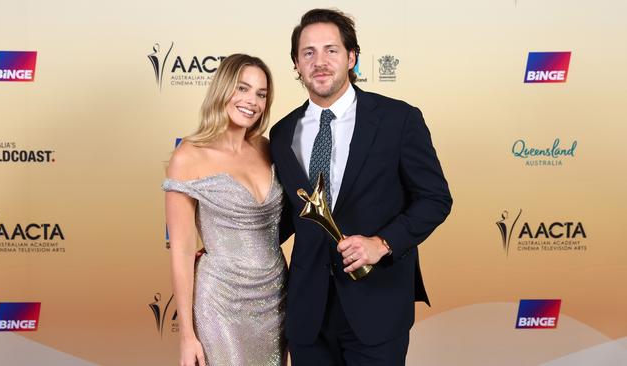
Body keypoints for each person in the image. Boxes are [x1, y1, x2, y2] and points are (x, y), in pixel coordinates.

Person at [269, 9, 452, 365]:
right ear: (296, 64)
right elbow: (291, 214)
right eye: (308, 53)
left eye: (331, 50)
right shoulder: (281, 133)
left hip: (377, 306)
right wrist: (227, 249)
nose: (319, 62)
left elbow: (435, 198)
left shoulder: (399, 119)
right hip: (308, 314)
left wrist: (382, 243)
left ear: (352, 57)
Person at [163, 53, 286, 366]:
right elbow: (181, 250)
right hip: (221, 302)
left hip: (277, 296)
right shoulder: (189, 156)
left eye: (261, 94)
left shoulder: (268, 147)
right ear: (223, 89)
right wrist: (187, 336)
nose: (252, 101)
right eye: (242, 89)